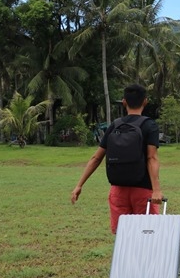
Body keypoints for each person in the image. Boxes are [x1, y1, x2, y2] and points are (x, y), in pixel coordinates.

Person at [70, 84, 164, 234]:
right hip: (143, 191)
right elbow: (151, 157)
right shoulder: (149, 125)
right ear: (145, 102)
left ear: (124, 102)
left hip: (118, 191)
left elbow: (96, 157)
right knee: (148, 235)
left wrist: (79, 185)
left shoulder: (115, 125)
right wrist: (157, 190)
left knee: (123, 237)